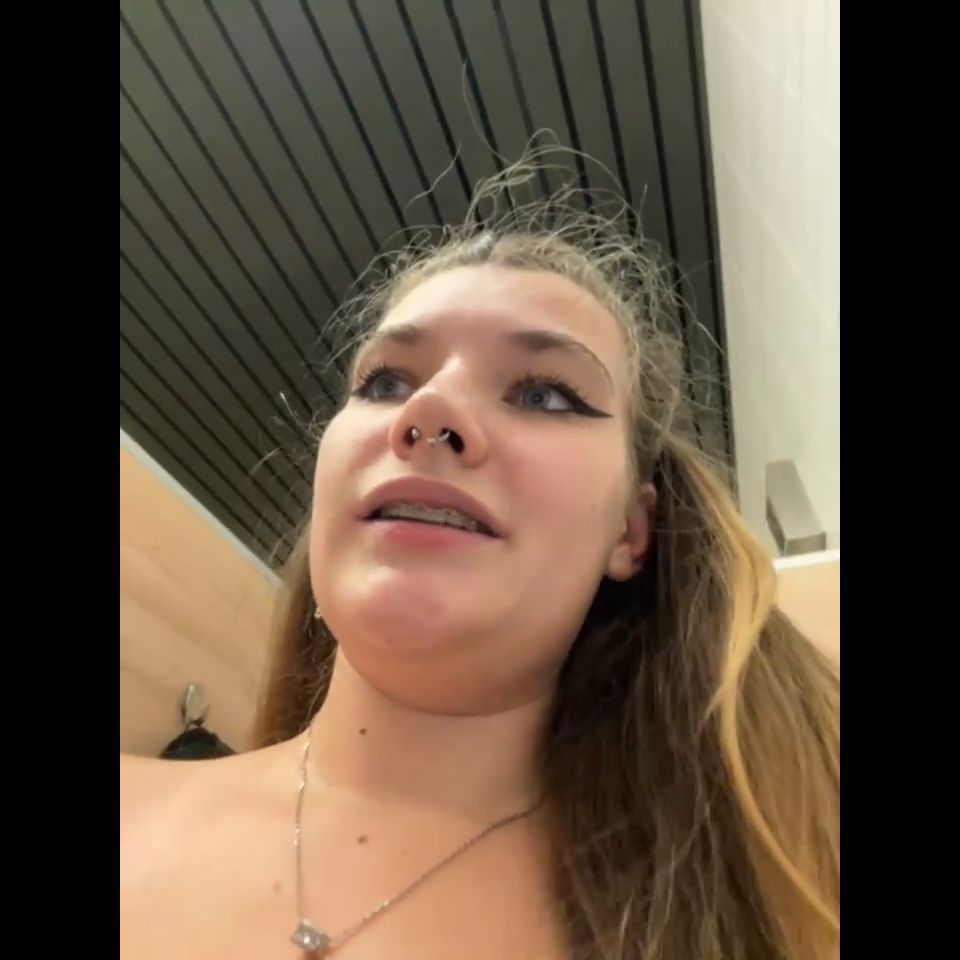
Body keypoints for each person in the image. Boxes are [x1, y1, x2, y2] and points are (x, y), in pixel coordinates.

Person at [120, 154, 840, 960]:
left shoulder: (762, 913)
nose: (429, 409)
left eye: (545, 394)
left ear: (631, 531)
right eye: (385, 383)